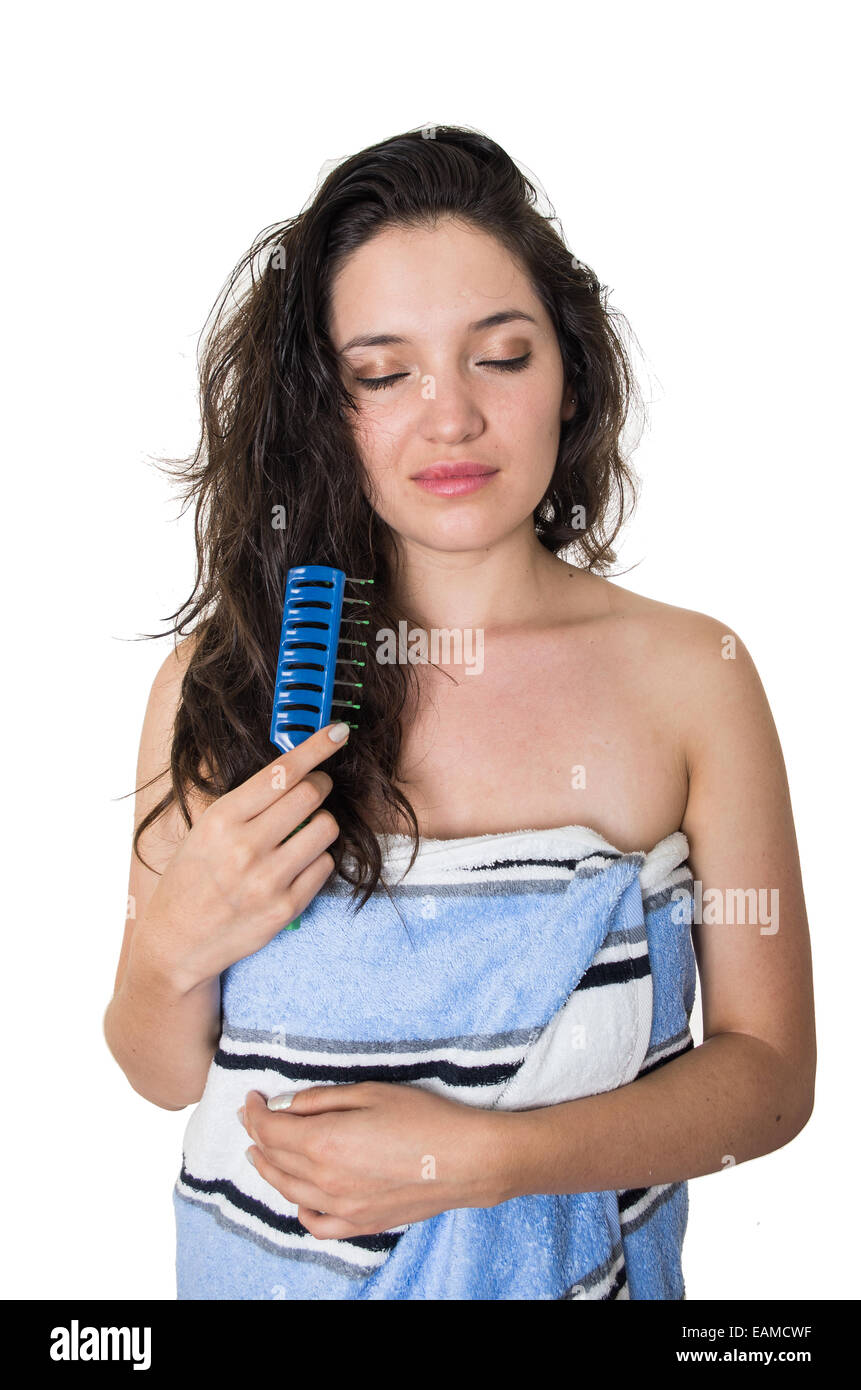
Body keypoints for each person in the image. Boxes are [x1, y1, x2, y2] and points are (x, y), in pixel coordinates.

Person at [103, 124, 816, 1300]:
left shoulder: (695, 676)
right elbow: (163, 1069)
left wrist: (485, 1163)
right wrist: (169, 947)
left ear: (571, 372)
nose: (450, 418)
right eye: (384, 373)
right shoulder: (223, 680)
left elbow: (773, 1079)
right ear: (327, 410)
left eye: (500, 356)